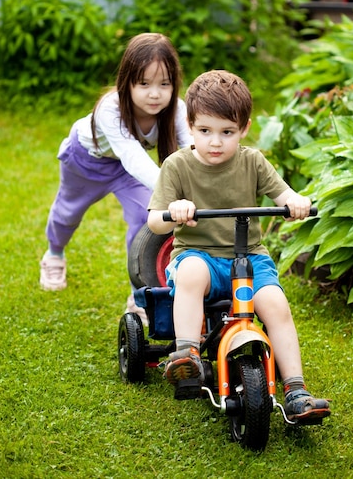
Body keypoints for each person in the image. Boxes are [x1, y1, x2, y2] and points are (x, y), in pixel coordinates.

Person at [147, 69, 331, 424]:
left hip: (249, 259)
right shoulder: (178, 165)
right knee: (190, 273)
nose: (215, 142)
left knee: (276, 305)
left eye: (227, 133)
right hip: (197, 254)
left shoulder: (253, 162)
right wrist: (174, 212)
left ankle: (296, 389)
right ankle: (188, 357)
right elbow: (154, 221)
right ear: (190, 125)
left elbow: (283, 193)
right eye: (205, 131)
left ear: (244, 128)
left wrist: (296, 202)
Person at [40, 32, 192, 309]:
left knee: (146, 216)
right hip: (86, 161)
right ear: (127, 82)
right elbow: (133, 156)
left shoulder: (176, 110)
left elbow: (191, 151)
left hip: (125, 170)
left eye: (164, 83)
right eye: (144, 83)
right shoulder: (110, 109)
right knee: (68, 212)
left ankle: (140, 293)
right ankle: (54, 255)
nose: (155, 93)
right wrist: (173, 192)